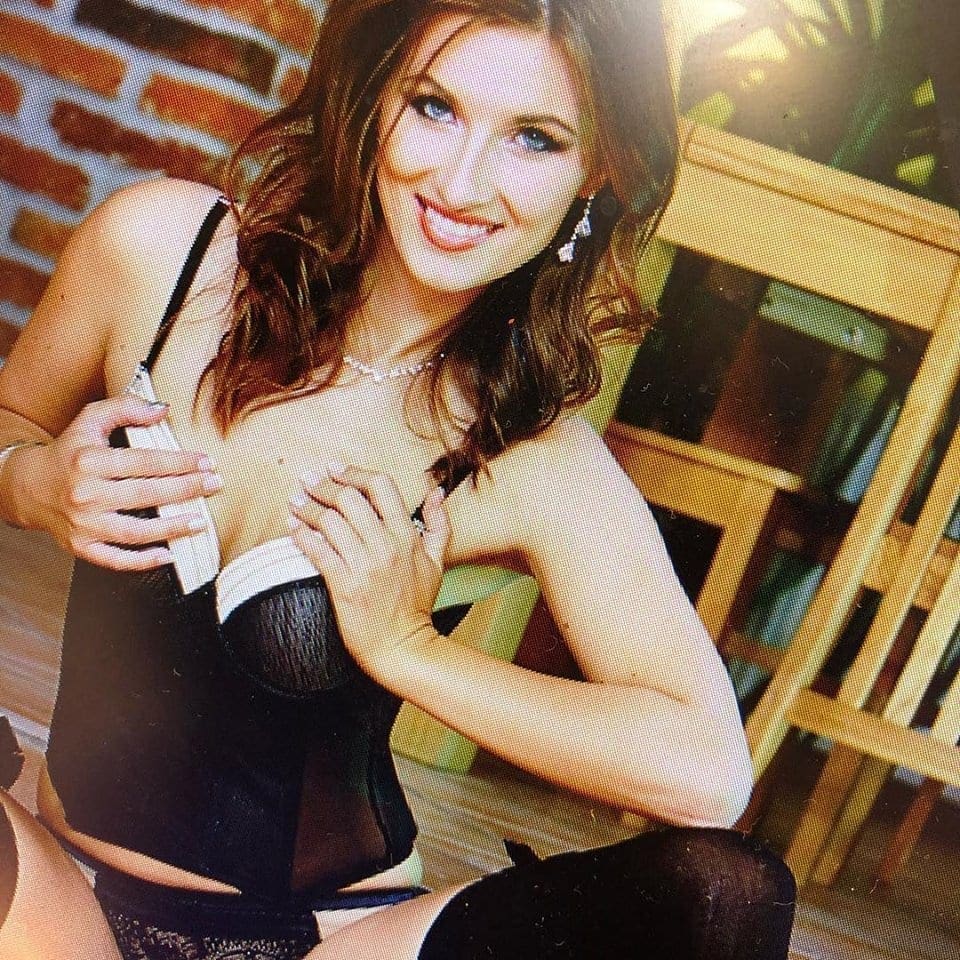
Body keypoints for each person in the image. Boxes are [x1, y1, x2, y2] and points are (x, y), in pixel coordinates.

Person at [0, 1, 796, 957]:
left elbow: (706, 771)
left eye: (535, 139)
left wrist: (409, 647)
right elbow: (12, 424)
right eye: (434, 107)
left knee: (722, 895)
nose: (461, 182)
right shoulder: (163, 256)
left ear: (597, 170)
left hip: (325, 943)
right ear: (373, 98)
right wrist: (33, 479)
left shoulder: (529, 455)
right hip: (58, 907)